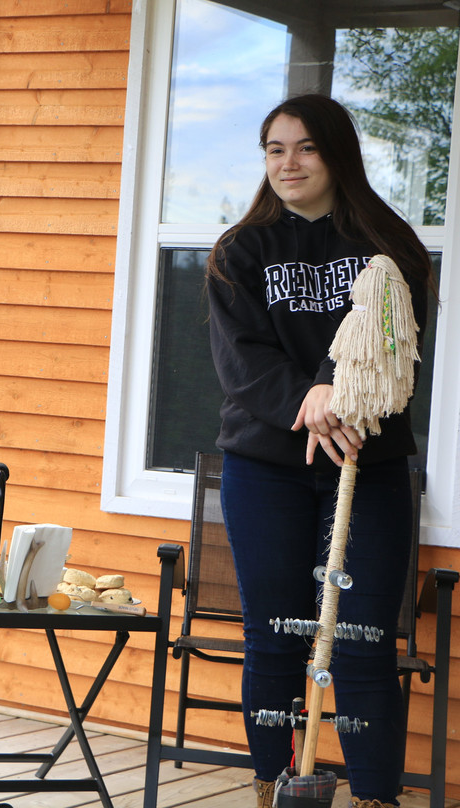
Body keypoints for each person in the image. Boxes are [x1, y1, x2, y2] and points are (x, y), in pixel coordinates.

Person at [205, 95, 432, 808]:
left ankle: (373, 797)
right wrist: (308, 401)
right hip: (265, 466)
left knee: (363, 640)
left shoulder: (389, 245)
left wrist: (341, 395)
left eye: (304, 147)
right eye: (275, 149)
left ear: (336, 154)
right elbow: (241, 362)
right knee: (272, 635)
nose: (288, 163)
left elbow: (393, 349)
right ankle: (275, 784)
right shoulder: (240, 252)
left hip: (367, 464)